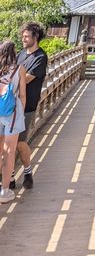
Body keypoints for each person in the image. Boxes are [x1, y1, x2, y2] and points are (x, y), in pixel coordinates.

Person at [11, 21, 48, 191]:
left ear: (36, 37)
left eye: (26, 36)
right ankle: (10, 177)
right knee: (6, 142)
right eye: (23, 36)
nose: (23, 39)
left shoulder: (40, 57)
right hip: (11, 104)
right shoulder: (20, 54)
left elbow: (24, 79)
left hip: (27, 106)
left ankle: (27, 172)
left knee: (20, 142)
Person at [0, 41, 26, 204]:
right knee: (10, 152)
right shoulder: (19, 69)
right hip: (12, 113)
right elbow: (22, 95)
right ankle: (5, 191)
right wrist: (20, 112)